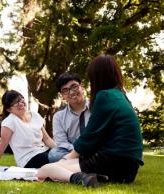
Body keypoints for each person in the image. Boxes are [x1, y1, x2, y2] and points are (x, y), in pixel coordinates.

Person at [37, 55, 144, 187]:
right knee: (56, 156)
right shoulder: (120, 95)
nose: (71, 92)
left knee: (46, 170)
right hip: (129, 169)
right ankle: (96, 176)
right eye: (65, 90)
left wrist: (65, 160)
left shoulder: (104, 96)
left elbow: (91, 136)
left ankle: (79, 178)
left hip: (114, 162)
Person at [0, 90, 56, 168]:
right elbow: (2, 145)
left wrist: (59, 149)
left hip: (44, 151)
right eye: (15, 103)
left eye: (21, 99)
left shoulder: (35, 115)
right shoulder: (9, 122)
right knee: (58, 159)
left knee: (65, 155)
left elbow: (47, 139)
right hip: (28, 158)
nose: (21, 103)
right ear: (8, 109)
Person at [48, 72, 91, 162]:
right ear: (62, 95)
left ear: (81, 87)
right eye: (65, 90)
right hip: (73, 151)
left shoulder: (96, 106)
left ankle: (80, 165)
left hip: (96, 147)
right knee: (54, 154)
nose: (71, 92)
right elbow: (61, 142)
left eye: (74, 87)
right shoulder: (58, 117)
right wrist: (79, 151)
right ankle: (88, 163)